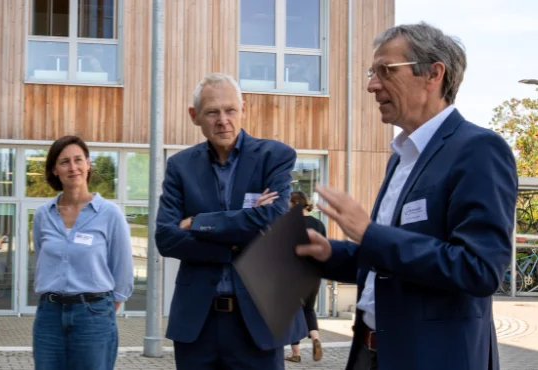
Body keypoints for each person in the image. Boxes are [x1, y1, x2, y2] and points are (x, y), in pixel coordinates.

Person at [295, 23, 516, 370]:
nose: (371, 85)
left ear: (433, 74)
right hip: (370, 353)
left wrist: (370, 233)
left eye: (386, 71)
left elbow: (479, 269)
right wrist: (329, 254)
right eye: (372, 72)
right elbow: (389, 262)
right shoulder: (401, 157)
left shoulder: (478, 150)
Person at [155, 73, 306, 369]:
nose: (223, 120)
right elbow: (166, 237)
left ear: (243, 109)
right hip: (198, 322)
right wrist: (234, 247)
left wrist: (198, 222)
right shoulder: (179, 167)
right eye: (212, 112)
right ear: (194, 116)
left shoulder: (275, 156)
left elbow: (272, 218)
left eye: (230, 110)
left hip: (259, 319)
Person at [31, 136, 134, 370]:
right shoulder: (42, 215)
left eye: (78, 160)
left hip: (93, 314)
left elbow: (123, 271)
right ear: (55, 170)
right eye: (64, 162)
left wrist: (100, 308)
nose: (73, 167)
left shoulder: (110, 214)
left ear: (88, 164)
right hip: (49, 314)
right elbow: (42, 260)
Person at [284, 191, 325, 363]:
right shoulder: (318, 223)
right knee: (309, 310)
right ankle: (316, 338)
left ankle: (296, 353)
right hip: (314, 272)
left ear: (294, 204)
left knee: (294, 312)